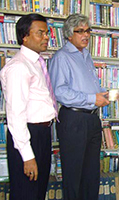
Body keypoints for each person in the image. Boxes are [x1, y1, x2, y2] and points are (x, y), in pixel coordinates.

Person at [49, 13, 109, 200]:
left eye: (88, 30)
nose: (86, 35)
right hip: (74, 120)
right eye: (80, 31)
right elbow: (60, 92)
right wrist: (93, 98)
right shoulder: (62, 57)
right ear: (69, 34)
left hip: (92, 119)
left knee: (91, 173)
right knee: (73, 174)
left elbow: (87, 85)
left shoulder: (86, 55)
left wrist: (102, 94)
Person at [0, 14, 55, 200]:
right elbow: (15, 115)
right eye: (40, 33)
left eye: (46, 33)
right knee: (26, 193)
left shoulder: (37, 63)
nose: (46, 37)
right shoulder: (19, 67)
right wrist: (27, 156)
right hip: (27, 136)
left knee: (38, 191)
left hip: (42, 133)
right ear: (25, 36)